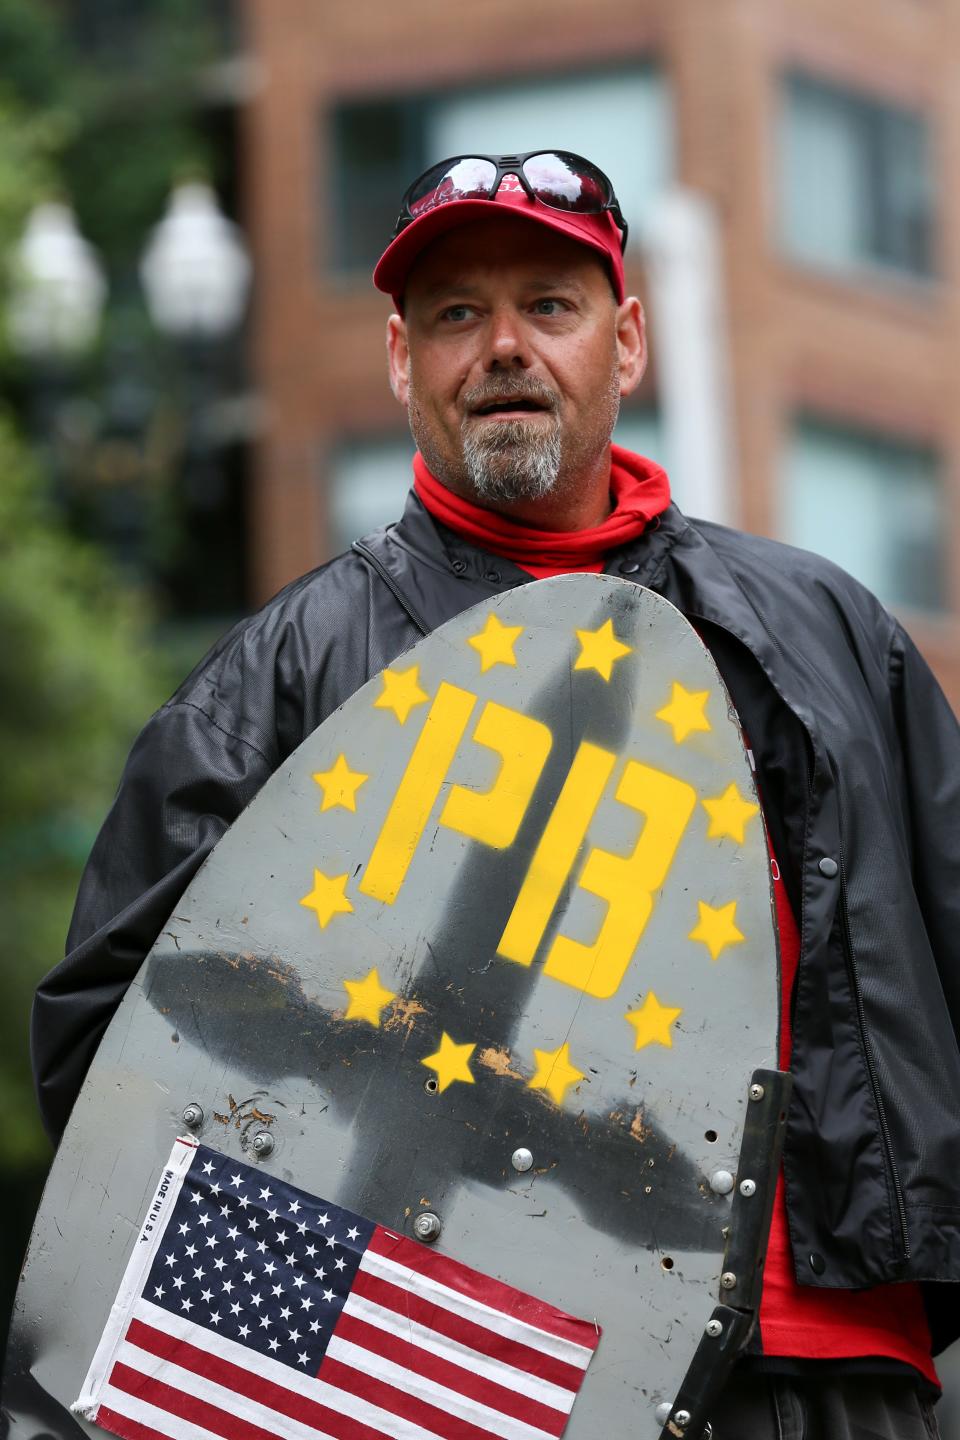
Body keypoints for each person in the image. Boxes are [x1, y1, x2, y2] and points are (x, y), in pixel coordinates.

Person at [32, 150, 960, 1438]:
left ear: (626, 343)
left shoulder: (831, 637)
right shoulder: (284, 674)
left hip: (828, 1361)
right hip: (469, 1369)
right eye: (459, 314)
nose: (506, 347)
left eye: (551, 306)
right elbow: (124, 1058)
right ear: (401, 361)